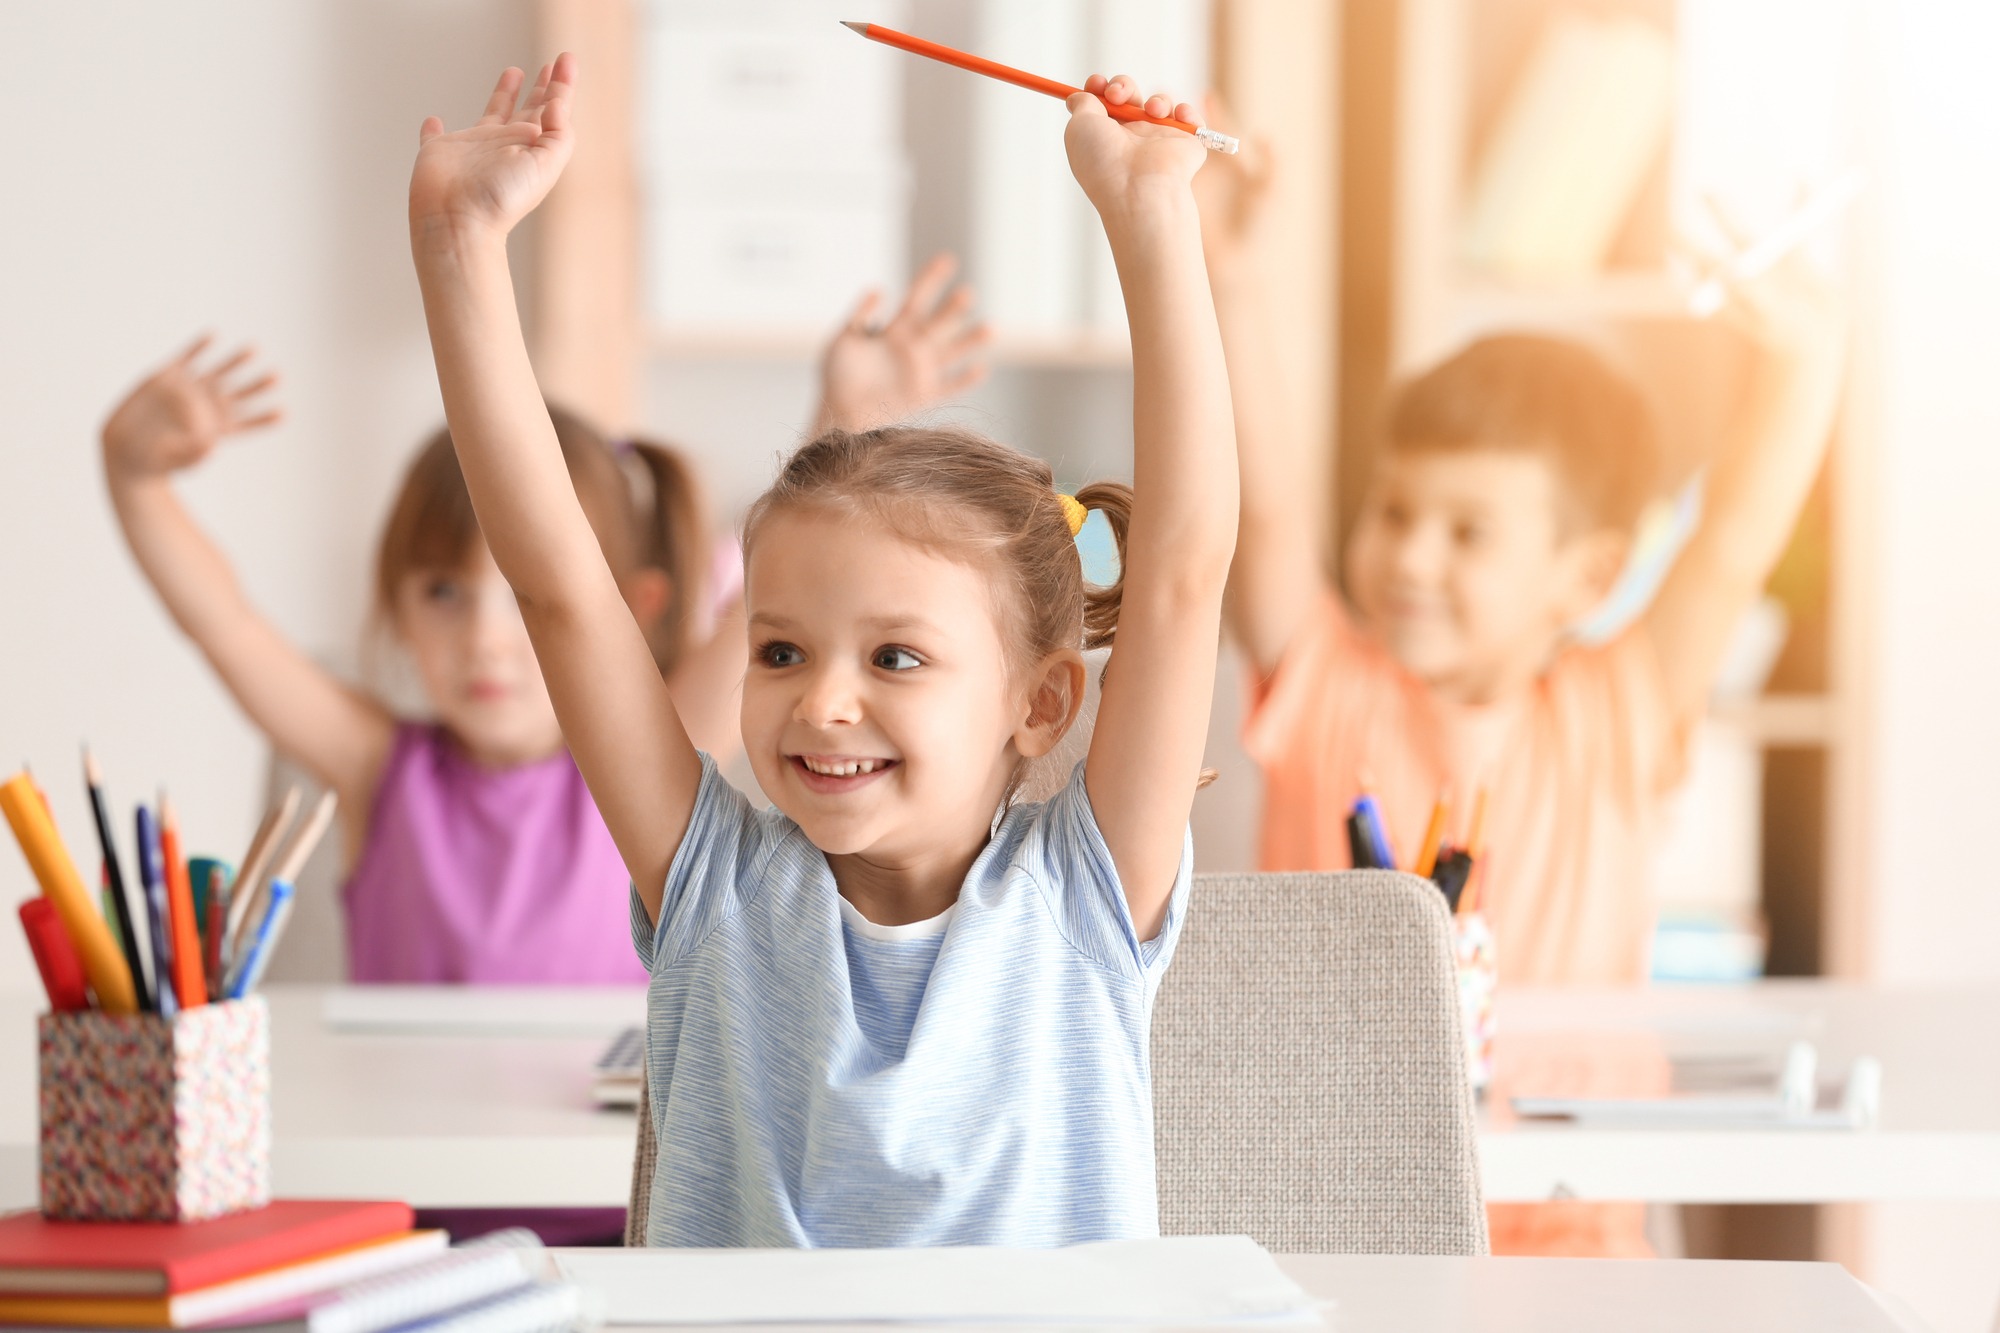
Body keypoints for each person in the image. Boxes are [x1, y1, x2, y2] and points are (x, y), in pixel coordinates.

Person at [407, 54, 1234, 1245]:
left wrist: (1149, 213)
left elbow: (1181, 572)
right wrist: (460, 244)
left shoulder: (1081, 897)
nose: (820, 705)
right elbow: (562, 595)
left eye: (894, 659)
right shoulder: (717, 893)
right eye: (781, 651)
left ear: (1041, 704)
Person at [1195, 110, 1847, 1254]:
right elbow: (1270, 503)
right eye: (1394, 512)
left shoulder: (1615, 710)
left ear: (1583, 574)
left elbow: (1735, 538)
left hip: (1570, 1224)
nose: (1408, 557)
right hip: (1332, 1221)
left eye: (1466, 532)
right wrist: (1228, 275)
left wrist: (1805, 361)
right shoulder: (1324, 688)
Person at [100, 266, 985, 984]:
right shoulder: (379, 769)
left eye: (523, 601)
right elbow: (225, 625)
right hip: (419, 1191)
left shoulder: (652, 757)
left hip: (608, 1191)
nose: (484, 639)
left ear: (626, 612)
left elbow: (773, 587)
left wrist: (849, 420)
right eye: (445, 594)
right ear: (400, 612)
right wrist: (135, 480)